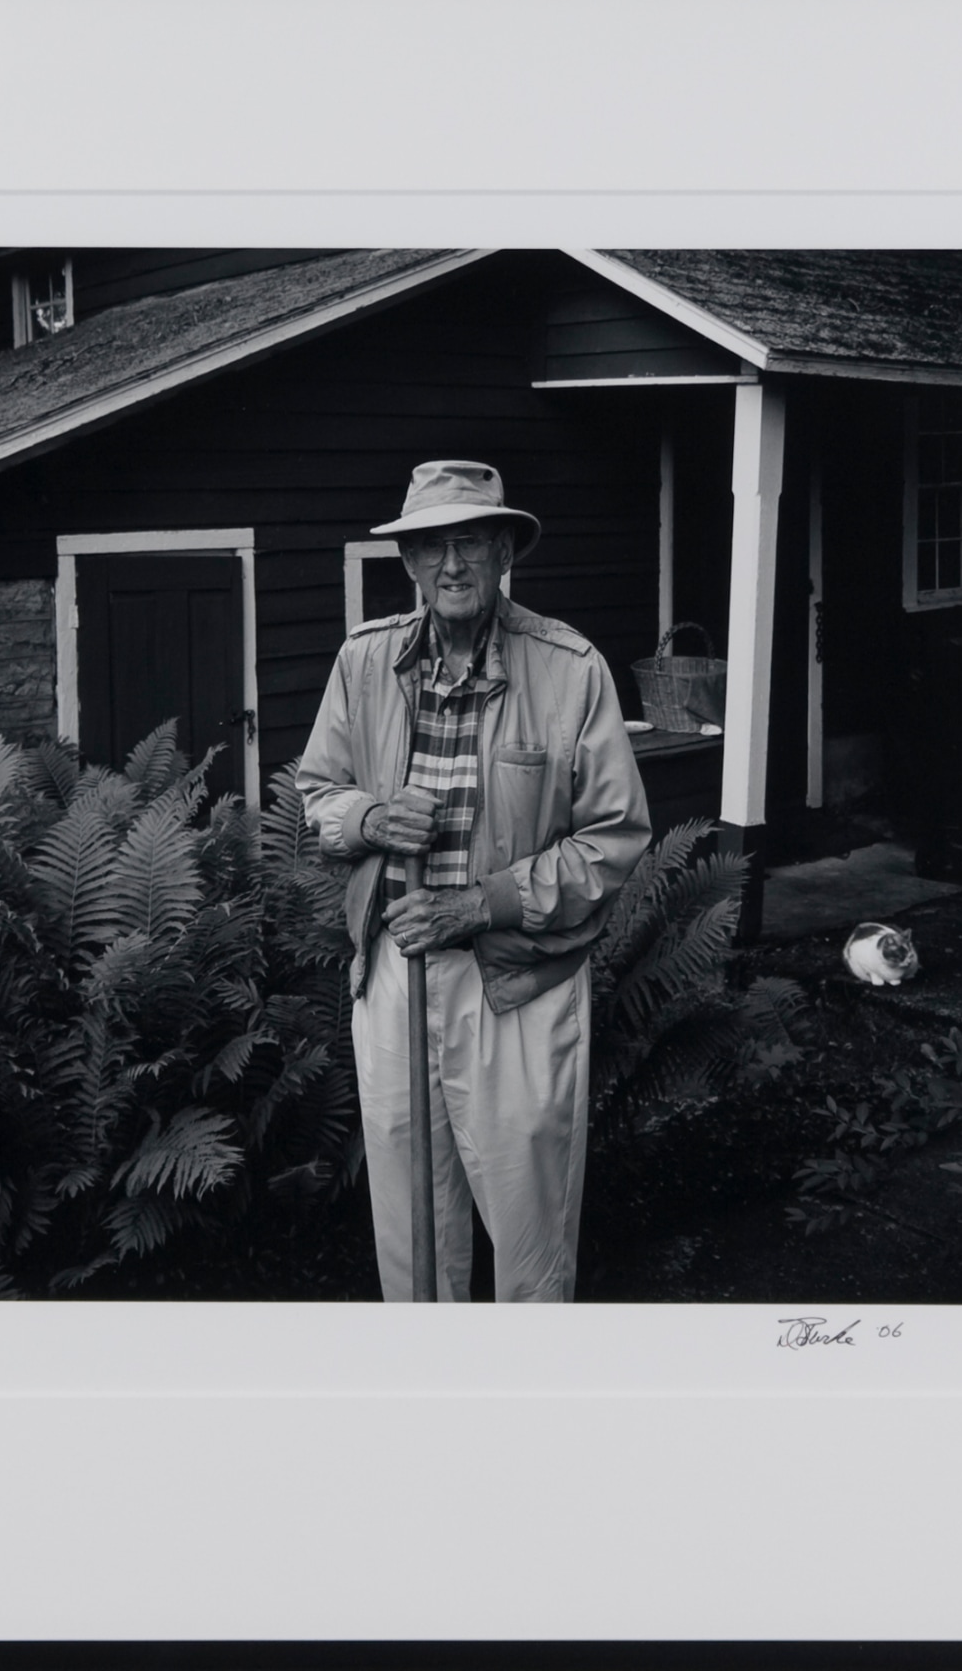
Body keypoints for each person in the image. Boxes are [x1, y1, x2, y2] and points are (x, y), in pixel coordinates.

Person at [298, 461, 651, 1302]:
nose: (450, 565)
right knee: (412, 1234)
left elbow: (614, 838)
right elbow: (319, 793)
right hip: (395, 973)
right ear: (408, 562)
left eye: (469, 544)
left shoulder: (569, 668)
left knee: (529, 1237)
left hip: (517, 982)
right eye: (431, 547)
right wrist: (371, 820)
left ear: (503, 553)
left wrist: (479, 903)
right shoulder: (365, 661)